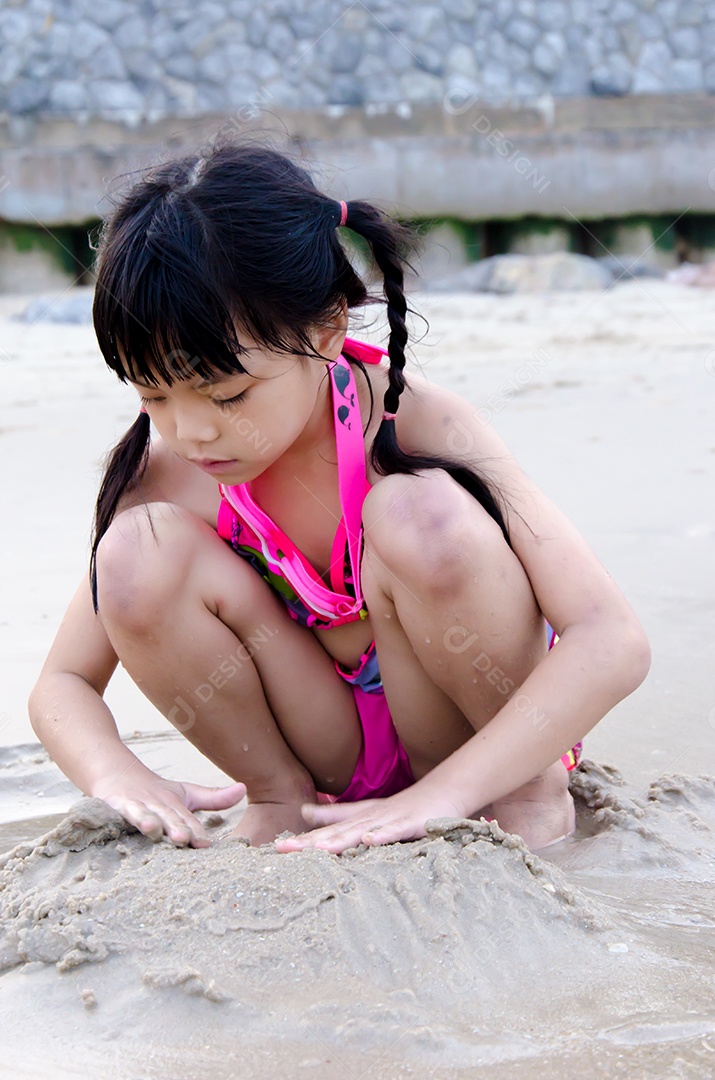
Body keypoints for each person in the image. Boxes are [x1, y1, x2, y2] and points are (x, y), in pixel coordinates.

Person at [28, 141, 651, 856]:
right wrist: (117, 775)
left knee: (418, 513)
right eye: (153, 395)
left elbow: (611, 638)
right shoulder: (167, 470)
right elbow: (64, 683)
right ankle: (281, 800)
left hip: (478, 730)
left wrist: (442, 795)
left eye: (227, 395)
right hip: (328, 749)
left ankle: (522, 794)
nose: (191, 431)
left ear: (325, 332)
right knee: (134, 555)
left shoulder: (417, 421)